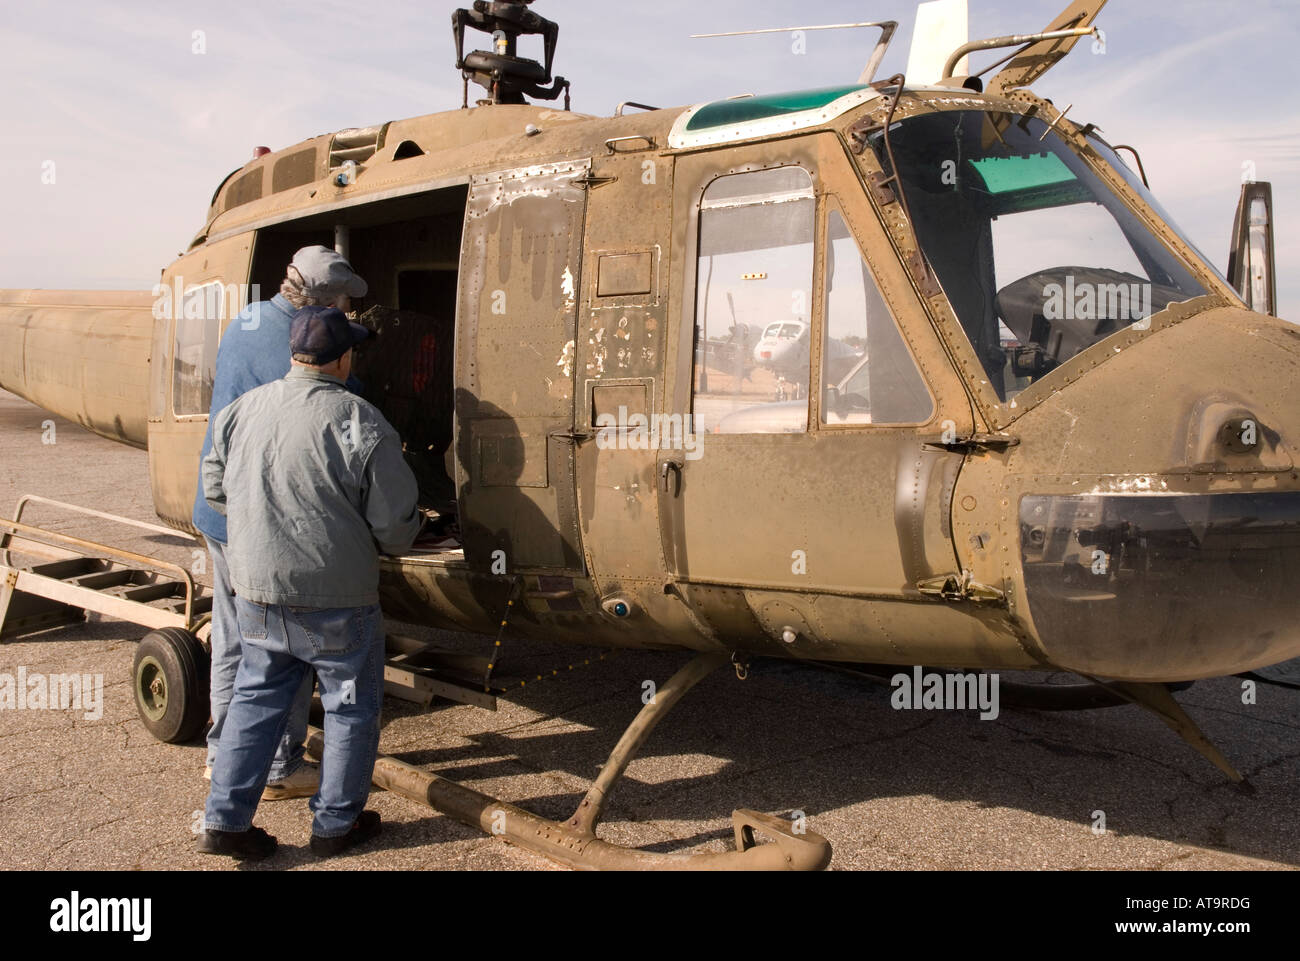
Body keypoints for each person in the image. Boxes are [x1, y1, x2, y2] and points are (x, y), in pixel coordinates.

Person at [196, 306, 421, 860]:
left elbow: (215, 490)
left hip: (256, 591)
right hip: (336, 600)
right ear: (342, 358)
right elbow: (395, 527)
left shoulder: (242, 410)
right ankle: (335, 826)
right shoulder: (361, 421)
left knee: (255, 700)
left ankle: (224, 822)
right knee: (348, 706)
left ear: (295, 354)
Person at [193, 246, 368, 801]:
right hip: (259, 522)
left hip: (219, 509)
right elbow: (324, 402)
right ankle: (277, 768)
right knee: (281, 650)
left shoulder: (246, 321)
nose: (346, 315)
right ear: (316, 307)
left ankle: (223, 758)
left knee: (233, 639)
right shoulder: (291, 345)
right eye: (341, 306)